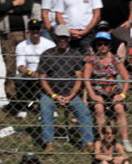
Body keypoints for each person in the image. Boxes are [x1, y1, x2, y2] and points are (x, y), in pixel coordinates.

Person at [37, 24, 93, 153]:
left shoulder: (75, 55)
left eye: (65, 37)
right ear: (55, 38)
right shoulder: (47, 55)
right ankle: (49, 143)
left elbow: (79, 78)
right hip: (50, 93)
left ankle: (88, 143)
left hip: (70, 93)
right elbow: (42, 79)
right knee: (45, 111)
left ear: (69, 39)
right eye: (59, 37)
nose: (62, 40)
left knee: (84, 112)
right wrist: (53, 95)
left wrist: (71, 95)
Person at [84, 30, 132, 152]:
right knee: (99, 108)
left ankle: (125, 140)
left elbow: (126, 77)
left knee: (119, 109)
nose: (103, 46)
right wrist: (92, 94)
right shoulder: (91, 60)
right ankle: (103, 140)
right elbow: (86, 78)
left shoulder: (115, 59)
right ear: (96, 45)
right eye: (100, 44)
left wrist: (122, 94)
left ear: (109, 45)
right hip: (97, 90)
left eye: (105, 43)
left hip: (113, 91)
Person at [14, 18, 55, 111]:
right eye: (32, 29)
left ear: (41, 29)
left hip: (46, 73)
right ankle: (23, 108)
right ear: (29, 30)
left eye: (37, 29)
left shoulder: (50, 44)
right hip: (30, 74)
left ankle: (51, 107)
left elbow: (53, 63)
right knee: (18, 78)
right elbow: (20, 66)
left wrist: (42, 73)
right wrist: (30, 73)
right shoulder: (21, 46)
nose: (35, 31)